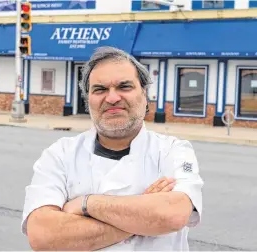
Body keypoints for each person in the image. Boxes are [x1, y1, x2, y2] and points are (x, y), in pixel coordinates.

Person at [21, 46, 204, 251]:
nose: (112, 98)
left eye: (124, 87)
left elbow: (173, 214)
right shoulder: (60, 155)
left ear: (144, 95)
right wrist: (143, 217)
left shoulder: (173, 151)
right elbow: (43, 236)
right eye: (100, 89)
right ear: (88, 99)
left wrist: (86, 204)